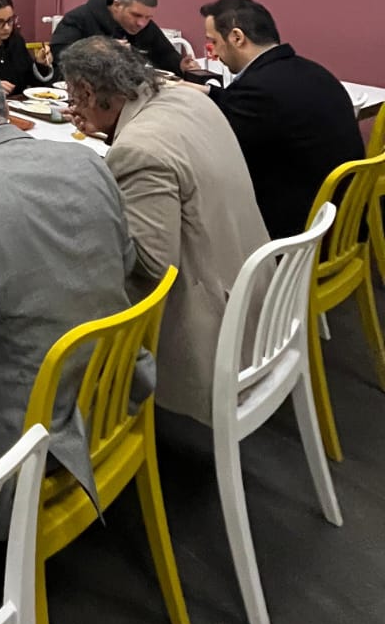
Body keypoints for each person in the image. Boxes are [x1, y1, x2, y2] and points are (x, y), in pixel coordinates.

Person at [0, 58, 142, 500]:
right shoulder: (87, 160)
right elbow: (126, 260)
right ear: (3, 107)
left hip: (27, 424)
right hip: (109, 384)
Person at [60, 37, 269, 426]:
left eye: (73, 96)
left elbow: (153, 267)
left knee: (57, 286)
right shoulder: (188, 99)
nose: (73, 104)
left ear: (87, 91)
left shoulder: (139, 149)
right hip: (256, 291)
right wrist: (112, 132)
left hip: (213, 327)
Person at [200, 0, 362, 239]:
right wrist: (209, 92)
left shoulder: (257, 91)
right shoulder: (312, 72)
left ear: (237, 37)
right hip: (346, 220)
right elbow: (261, 109)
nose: (214, 51)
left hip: (301, 235)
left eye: (213, 41)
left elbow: (222, 152)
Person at [51, 0, 199, 78]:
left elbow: (164, 53)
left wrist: (180, 65)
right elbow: (60, 56)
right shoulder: (79, 18)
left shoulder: (144, 26)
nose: (141, 23)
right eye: (136, 15)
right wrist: (97, 50)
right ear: (117, 5)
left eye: (148, 18)